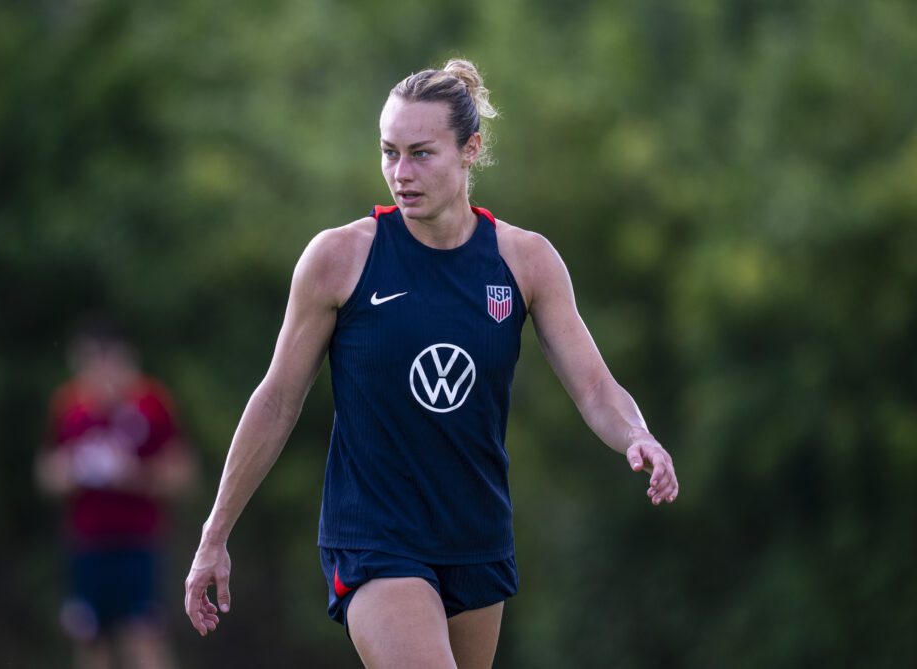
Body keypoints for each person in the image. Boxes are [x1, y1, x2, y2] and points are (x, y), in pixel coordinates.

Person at [184, 59, 679, 668]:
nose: (400, 173)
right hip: (374, 538)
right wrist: (215, 533)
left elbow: (596, 388)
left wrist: (639, 435)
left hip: (475, 536)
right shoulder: (340, 259)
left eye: (421, 154)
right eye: (389, 152)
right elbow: (277, 400)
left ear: (470, 150)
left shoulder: (525, 262)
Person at [37, 318, 195, 669]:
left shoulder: (151, 403)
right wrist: (75, 469)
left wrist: (132, 474)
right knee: (89, 638)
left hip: (139, 541)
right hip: (87, 543)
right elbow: (47, 473)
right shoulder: (70, 406)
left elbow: (182, 474)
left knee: (144, 635)